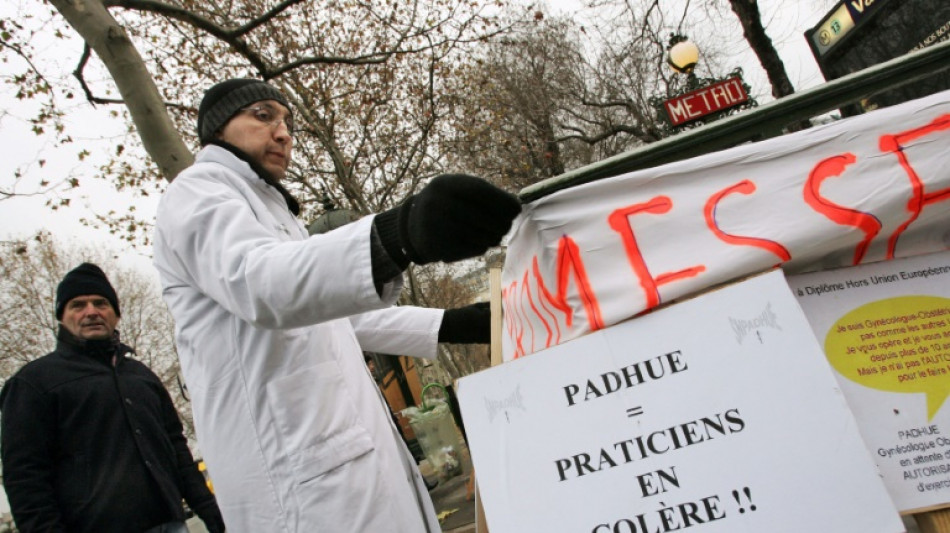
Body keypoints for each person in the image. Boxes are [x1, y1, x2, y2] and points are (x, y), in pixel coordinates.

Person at [151, 78, 521, 532]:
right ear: (217, 130)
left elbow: (340, 318)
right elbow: (261, 283)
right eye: (263, 116)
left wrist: (455, 324)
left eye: (288, 123)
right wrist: (397, 236)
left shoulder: (276, 214)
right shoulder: (196, 192)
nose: (283, 133)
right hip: (297, 483)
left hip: (342, 463)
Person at [0, 263, 226, 533]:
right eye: (77, 305)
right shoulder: (33, 383)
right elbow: (25, 477)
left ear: (116, 315)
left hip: (171, 524)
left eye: (101, 303)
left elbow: (176, 449)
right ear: (62, 317)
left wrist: (209, 510)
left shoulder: (142, 377)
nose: (91, 312)